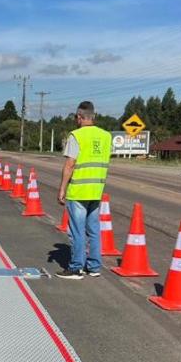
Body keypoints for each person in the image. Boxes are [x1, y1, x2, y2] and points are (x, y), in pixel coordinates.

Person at [56, 101, 111, 280]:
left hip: (79, 191)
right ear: (93, 116)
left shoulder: (76, 136)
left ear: (79, 117)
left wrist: (62, 189)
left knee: (77, 231)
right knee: (93, 230)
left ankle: (76, 267)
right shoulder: (105, 136)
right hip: (96, 189)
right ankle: (94, 266)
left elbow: (70, 164)